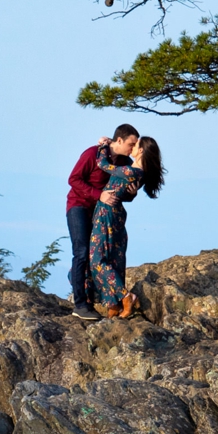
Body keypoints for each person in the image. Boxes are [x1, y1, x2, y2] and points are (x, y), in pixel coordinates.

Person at [89, 135, 165, 320]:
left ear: (141, 151)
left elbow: (103, 164)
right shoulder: (138, 173)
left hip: (106, 215)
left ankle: (125, 296)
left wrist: (103, 146)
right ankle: (113, 304)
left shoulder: (131, 172)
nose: (132, 147)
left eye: (135, 145)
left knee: (97, 261)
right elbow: (125, 193)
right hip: (115, 215)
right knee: (113, 259)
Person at [66, 125, 138, 320]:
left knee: (99, 256)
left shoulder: (125, 162)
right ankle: (80, 305)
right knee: (81, 252)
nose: (132, 149)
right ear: (119, 140)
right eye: (130, 144)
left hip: (103, 214)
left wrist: (131, 193)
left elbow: (119, 193)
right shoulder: (92, 154)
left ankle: (100, 299)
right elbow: (73, 179)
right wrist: (99, 195)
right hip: (79, 206)